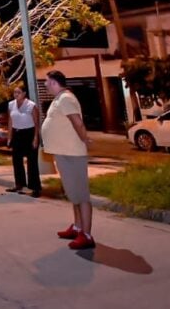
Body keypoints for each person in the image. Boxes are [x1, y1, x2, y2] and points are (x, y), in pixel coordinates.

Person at [41, 70, 95, 250]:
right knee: (73, 194)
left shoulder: (66, 99)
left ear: (55, 82)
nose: (45, 84)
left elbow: (77, 122)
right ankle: (77, 227)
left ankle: (86, 235)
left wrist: (85, 139)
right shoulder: (59, 98)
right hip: (63, 152)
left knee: (81, 195)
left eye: (47, 81)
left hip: (72, 153)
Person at [5, 84, 42, 197]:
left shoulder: (31, 105)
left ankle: (35, 188)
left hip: (29, 133)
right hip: (17, 133)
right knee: (17, 160)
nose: (16, 95)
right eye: (15, 93)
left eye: (18, 92)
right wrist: (9, 136)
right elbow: (10, 121)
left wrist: (36, 138)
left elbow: (36, 124)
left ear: (24, 93)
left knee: (32, 162)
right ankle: (19, 184)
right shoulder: (11, 105)